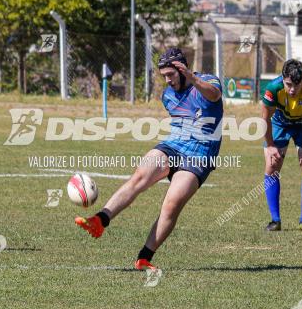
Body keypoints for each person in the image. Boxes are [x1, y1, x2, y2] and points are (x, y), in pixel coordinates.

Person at [74, 48, 223, 271]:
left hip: (200, 154)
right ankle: (100, 219)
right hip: (173, 145)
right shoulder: (168, 95)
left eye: (171, 74)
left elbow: (214, 95)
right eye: (164, 75)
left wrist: (192, 78)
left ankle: (144, 257)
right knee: (139, 177)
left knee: (171, 205)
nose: (167, 80)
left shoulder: (207, 80)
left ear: (182, 69)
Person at [261, 58, 302, 232]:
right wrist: (270, 145)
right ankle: (275, 220)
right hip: (280, 123)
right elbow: (264, 119)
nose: (292, 89)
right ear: (283, 79)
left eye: (297, 84)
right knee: (272, 165)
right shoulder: (273, 88)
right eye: (288, 84)